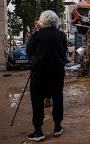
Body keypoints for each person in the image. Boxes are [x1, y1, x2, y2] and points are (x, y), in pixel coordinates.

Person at [26, 10, 67, 142]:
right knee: (57, 98)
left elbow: (29, 52)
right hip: (57, 73)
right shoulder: (61, 35)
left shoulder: (36, 36)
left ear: (42, 20)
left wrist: (34, 60)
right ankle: (57, 127)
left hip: (39, 73)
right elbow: (64, 51)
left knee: (37, 100)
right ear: (55, 21)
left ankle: (38, 131)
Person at [33, 18, 52, 108]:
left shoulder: (46, 34)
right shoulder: (35, 34)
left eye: (38, 23)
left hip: (47, 62)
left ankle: (48, 99)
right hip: (38, 63)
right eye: (35, 23)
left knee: (47, 82)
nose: (37, 25)